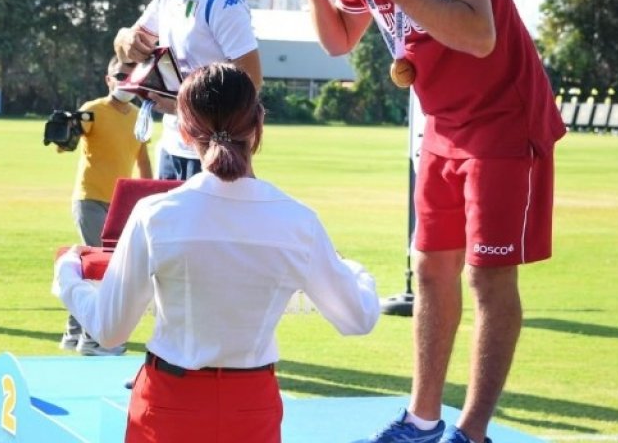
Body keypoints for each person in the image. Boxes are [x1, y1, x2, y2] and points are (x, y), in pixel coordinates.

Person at [268, 0, 566, 443]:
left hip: (503, 119)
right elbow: (338, 42)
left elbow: (479, 34)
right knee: (430, 270)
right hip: (443, 125)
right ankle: (422, 420)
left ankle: (472, 432)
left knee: (487, 276)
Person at [54, 63, 380, 443]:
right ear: (258, 125)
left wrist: (68, 277)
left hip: (168, 402)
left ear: (186, 131)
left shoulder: (157, 214)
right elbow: (357, 318)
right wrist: (356, 270)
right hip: (251, 405)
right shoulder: (298, 221)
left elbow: (110, 330)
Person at [113, 0, 263, 180]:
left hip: (215, 152)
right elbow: (124, 47)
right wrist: (125, 39)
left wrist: (183, 107)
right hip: (173, 146)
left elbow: (251, 81)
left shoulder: (220, 0)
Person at [58, 55, 153, 356]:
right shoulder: (92, 111)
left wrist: (150, 192)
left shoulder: (139, 115)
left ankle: (75, 334)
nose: (124, 81)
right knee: (105, 267)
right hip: (90, 198)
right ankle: (94, 339)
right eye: (118, 76)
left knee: (93, 267)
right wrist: (65, 132)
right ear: (108, 79)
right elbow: (67, 143)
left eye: (129, 75)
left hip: (121, 203)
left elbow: (142, 158)